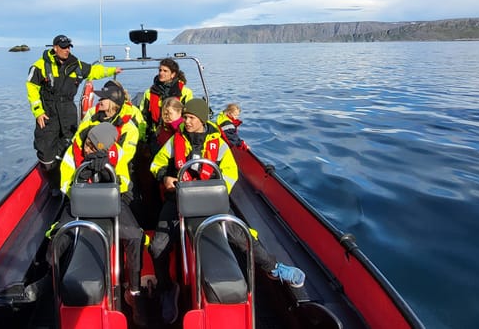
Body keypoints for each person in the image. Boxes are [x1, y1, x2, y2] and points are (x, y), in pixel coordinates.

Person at [149, 98, 305, 324]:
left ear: (201, 119)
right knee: (157, 246)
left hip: (211, 199)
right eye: (185, 117)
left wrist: (218, 190)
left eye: (191, 118)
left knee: (241, 235)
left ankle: (275, 268)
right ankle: (166, 289)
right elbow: (157, 163)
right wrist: (165, 177)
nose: (186, 121)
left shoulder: (218, 143)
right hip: (179, 199)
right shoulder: (175, 141)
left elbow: (231, 172)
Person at [56, 119, 146, 326]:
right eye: (87, 144)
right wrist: (84, 174)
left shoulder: (118, 153)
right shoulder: (73, 152)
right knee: (58, 240)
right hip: (78, 204)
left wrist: (107, 174)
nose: (88, 150)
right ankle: (51, 286)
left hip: (110, 202)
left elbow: (124, 184)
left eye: (93, 148)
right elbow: (64, 186)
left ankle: (133, 289)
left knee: (135, 235)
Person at [26, 34, 122, 194]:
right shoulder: (40, 66)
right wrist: (38, 112)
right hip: (48, 112)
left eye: (69, 47)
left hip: (68, 110)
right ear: (55, 48)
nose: (67, 50)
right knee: (46, 151)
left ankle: (72, 183)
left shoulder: (75, 64)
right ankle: (54, 183)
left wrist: (112, 70)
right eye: (63, 47)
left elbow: (93, 71)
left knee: (70, 145)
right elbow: (31, 88)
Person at [139, 58, 193, 150]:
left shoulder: (185, 92)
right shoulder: (149, 93)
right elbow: (143, 117)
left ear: (173, 74)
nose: (161, 73)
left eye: (165, 71)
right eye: (160, 70)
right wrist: (143, 139)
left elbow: (190, 115)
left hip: (178, 133)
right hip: (156, 136)